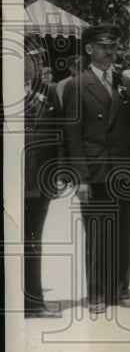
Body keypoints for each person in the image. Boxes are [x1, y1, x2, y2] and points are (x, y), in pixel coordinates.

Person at [62, 25, 130, 313]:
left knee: (124, 232)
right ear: (89, 49)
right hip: (95, 171)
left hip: (123, 170)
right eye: (103, 46)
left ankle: (121, 290)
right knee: (99, 235)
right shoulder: (78, 84)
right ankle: (98, 293)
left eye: (113, 45)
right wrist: (80, 178)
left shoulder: (125, 81)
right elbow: (72, 135)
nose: (110, 51)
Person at [22, 42, 64, 318]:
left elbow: (60, 136)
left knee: (33, 241)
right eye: (25, 58)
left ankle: (33, 302)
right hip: (11, 181)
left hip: (40, 182)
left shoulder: (48, 93)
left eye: (33, 59)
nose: (29, 64)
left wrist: (60, 172)